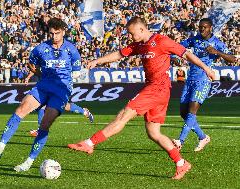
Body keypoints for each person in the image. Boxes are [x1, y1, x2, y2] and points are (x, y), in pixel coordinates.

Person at [68, 17, 215, 180]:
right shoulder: (139, 45)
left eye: (132, 34)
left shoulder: (161, 41)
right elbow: (119, 54)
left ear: (142, 29)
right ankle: (181, 163)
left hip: (157, 89)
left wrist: (206, 68)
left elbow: (186, 54)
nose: (131, 37)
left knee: (124, 114)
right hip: (156, 90)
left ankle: (89, 143)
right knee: (153, 133)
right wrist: (97, 61)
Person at [0, 18, 82, 172]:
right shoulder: (41, 49)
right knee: (21, 109)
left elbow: (77, 72)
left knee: (45, 124)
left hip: (61, 90)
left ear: (63, 31)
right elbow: (31, 63)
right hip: (43, 85)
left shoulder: (72, 50)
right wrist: (39, 73)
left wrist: (65, 80)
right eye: (51, 33)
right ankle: (0, 146)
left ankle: (28, 162)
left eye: (57, 33)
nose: (54, 37)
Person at [172, 18, 236, 152]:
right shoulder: (193, 40)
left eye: (205, 27)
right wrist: (175, 58)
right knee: (183, 113)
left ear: (210, 28)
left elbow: (233, 58)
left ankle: (180, 140)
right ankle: (203, 137)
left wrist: (217, 52)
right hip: (190, 79)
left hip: (204, 80)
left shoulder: (216, 43)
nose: (202, 29)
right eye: (200, 27)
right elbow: (177, 48)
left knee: (192, 110)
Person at [24, 71, 94, 137]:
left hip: (58, 87)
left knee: (46, 106)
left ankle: (40, 130)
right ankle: (84, 112)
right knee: (64, 106)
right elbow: (35, 69)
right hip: (51, 87)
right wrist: (28, 77)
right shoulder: (45, 62)